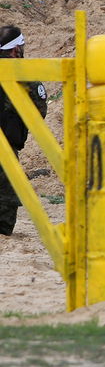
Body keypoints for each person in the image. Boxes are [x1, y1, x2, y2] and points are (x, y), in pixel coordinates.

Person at [0, 26, 47, 237]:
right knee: (6, 198)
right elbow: (39, 110)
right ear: (15, 50)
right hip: (6, 149)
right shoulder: (22, 74)